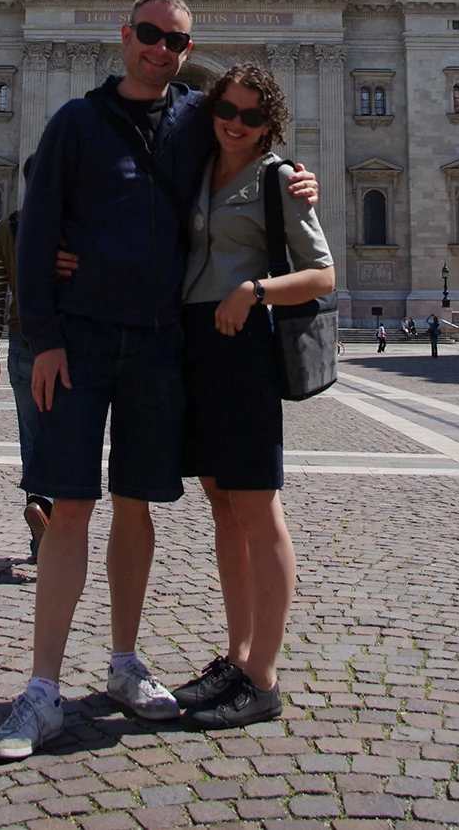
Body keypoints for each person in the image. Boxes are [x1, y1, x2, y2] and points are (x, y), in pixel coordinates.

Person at [0, 0, 316, 761]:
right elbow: (32, 232)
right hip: (84, 342)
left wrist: (299, 178)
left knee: (137, 507)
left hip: (163, 344)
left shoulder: (200, 119)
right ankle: (41, 689)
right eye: (149, 35)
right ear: (124, 36)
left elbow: (252, 141)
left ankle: (127, 663)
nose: (161, 49)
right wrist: (46, 335)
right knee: (69, 507)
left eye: (175, 40)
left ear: (187, 47)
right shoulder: (73, 119)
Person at [176, 65, 334, 728]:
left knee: (257, 507)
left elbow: (323, 273)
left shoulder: (278, 178)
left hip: (243, 347)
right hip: (191, 344)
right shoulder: (195, 166)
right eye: (226, 110)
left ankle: (262, 678)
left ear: (269, 124)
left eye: (250, 116)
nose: (235, 122)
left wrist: (255, 291)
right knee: (221, 507)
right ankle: (237, 657)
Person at [0, 159, 53, 563]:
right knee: (65, 437)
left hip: (21, 346)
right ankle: (45, 508)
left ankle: (38, 509)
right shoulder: (71, 227)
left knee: (33, 436)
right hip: (66, 349)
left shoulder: (3, 228)